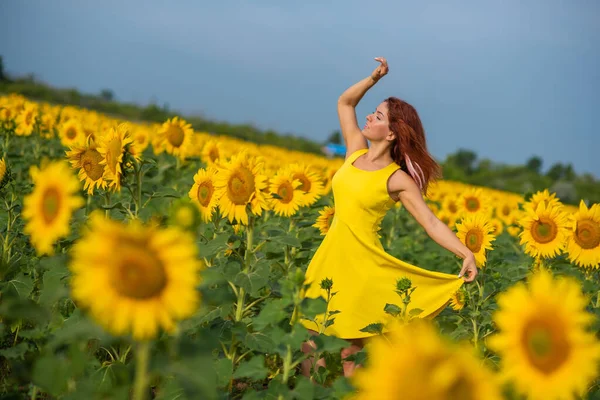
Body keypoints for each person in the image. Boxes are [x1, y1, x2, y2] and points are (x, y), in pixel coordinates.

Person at [299, 57, 478, 379]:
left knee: (349, 356)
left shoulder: (397, 179)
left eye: (378, 115)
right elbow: (345, 102)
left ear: (393, 133)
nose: (369, 116)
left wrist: (466, 252)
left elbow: (431, 223)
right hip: (327, 261)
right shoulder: (354, 152)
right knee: (308, 347)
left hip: (362, 269)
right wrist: (373, 79)